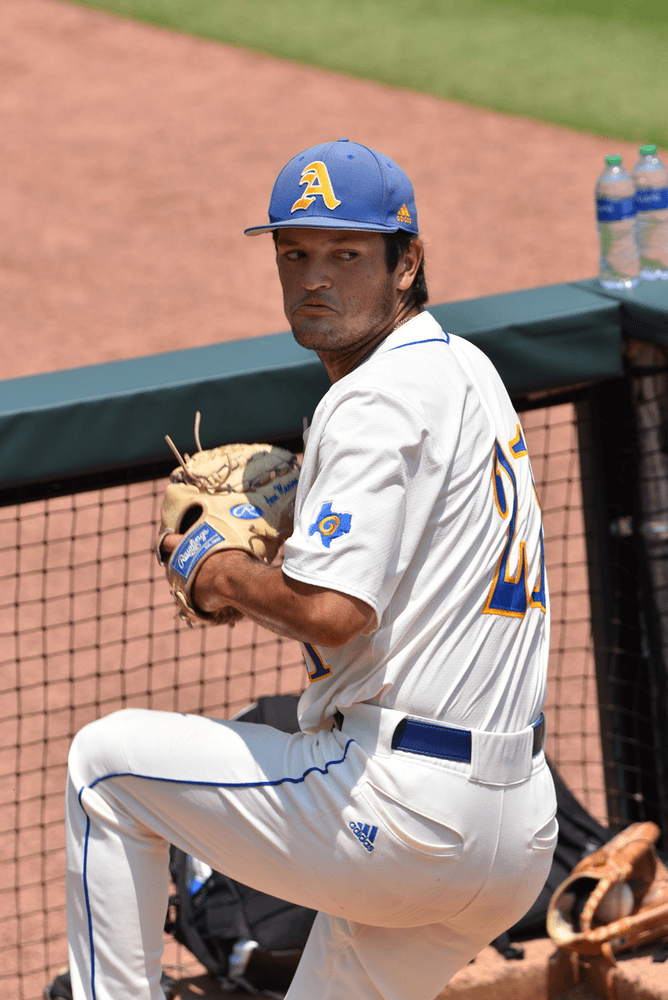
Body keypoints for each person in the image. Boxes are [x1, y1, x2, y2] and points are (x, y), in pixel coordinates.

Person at [64, 138, 557, 1000]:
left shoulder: (370, 397)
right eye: (294, 254)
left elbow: (335, 613)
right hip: (515, 830)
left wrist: (219, 570)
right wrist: (297, 534)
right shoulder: (465, 368)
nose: (315, 278)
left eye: (346, 254)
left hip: (401, 811)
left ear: (407, 264)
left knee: (105, 767)